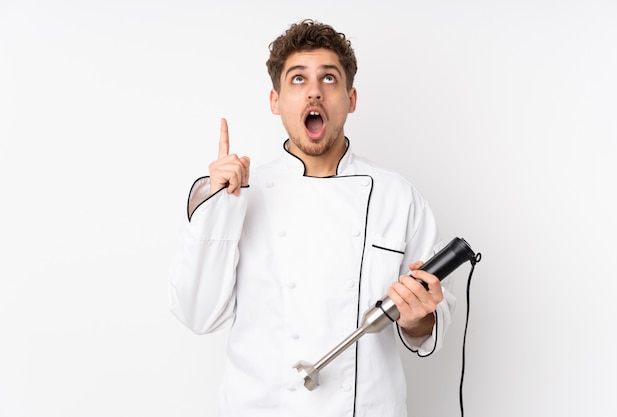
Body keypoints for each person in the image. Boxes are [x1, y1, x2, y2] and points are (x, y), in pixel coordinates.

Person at [170, 19, 456, 417]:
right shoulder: (239, 194)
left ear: (351, 98)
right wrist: (217, 208)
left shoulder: (397, 196)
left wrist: (418, 317)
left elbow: (429, 324)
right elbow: (197, 315)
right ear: (276, 100)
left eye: (329, 79)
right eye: (299, 79)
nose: (315, 92)